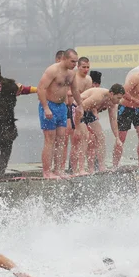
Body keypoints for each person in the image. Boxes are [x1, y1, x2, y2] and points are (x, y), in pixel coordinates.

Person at [37, 49, 85, 179]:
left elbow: (74, 90)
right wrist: (46, 108)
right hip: (49, 105)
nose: (75, 64)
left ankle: (58, 170)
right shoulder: (53, 70)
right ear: (64, 58)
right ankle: (47, 171)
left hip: (62, 107)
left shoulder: (72, 73)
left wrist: (80, 105)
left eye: (76, 62)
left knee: (61, 139)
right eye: (72, 61)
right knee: (50, 139)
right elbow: (41, 89)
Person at [79, 84, 125, 173]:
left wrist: (117, 138)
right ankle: (81, 168)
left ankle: (101, 167)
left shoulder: (112, 103)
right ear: (111, 94)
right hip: (78, 109)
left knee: (101, 137)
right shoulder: (98, 97)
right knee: (85, 137)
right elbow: (80, 108)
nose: (119, 101)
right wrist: (77, 127)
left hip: (88, 111)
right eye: (118, 98)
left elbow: (113, 120)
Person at [68, 57, 93, 175]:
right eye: (84, 67)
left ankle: (82, 167)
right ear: (78, 66)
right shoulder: (72, 77)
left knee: (85, 137)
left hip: (83, 109)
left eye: (88, 67)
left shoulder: (88, 79)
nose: (86, 69)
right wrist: (76, 94)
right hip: (71, 108)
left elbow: (88, 95)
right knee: (76, 139)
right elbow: (66, 92)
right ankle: (74, 169)